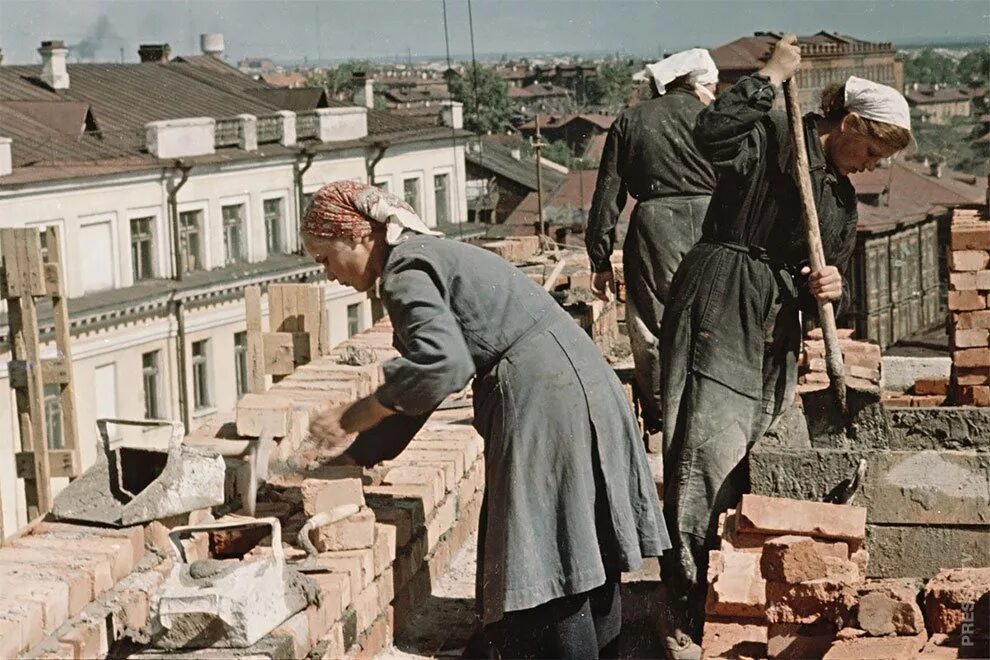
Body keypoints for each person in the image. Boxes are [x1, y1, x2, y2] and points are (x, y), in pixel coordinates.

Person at [300, 180, 670, 659]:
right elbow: (429, 383)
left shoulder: (405, 271)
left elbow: (439, 366)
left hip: (546, 402)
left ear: (356, 235)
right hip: (582, 384)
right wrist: (359, 454)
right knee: (587, 557)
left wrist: (358, 412)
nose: (328, 274)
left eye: (325, 258)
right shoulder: (427, 255)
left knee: (552, 568)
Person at [657, 35, 912, 658]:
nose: (875, 165)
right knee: (705, 450)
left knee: (752, 447)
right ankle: (687, 602)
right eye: (874, 148)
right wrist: (768, 76)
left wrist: (829, 283)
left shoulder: (841, 198)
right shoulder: (775, 133)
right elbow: (709, 135)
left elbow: (826, 274)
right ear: (849, 122)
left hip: (775, 323)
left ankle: (732, 586)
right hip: (723, 294)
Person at [586, 48, 719, 451]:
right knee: (712, 316)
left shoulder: (630, 120)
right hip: (714, 220)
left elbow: (608, 193)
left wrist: (600, 258)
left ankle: (663, 413)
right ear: (698, 84)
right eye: (712, 85)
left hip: (654, 225)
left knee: (652, 322)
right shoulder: (716, 118)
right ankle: (708, 408)